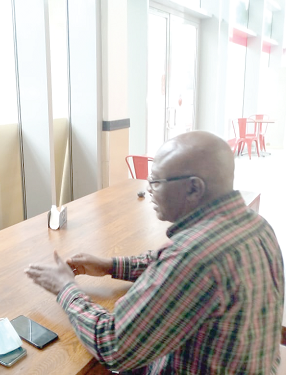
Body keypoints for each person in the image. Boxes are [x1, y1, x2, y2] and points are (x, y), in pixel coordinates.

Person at [25, 131, 284, 374]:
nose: (148, 189)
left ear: (194, 188)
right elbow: (164, 263)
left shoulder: (192, 257)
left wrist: (65, 288)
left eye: (156, 182)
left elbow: (113, 344)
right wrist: (109, 265)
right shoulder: (254, 224)